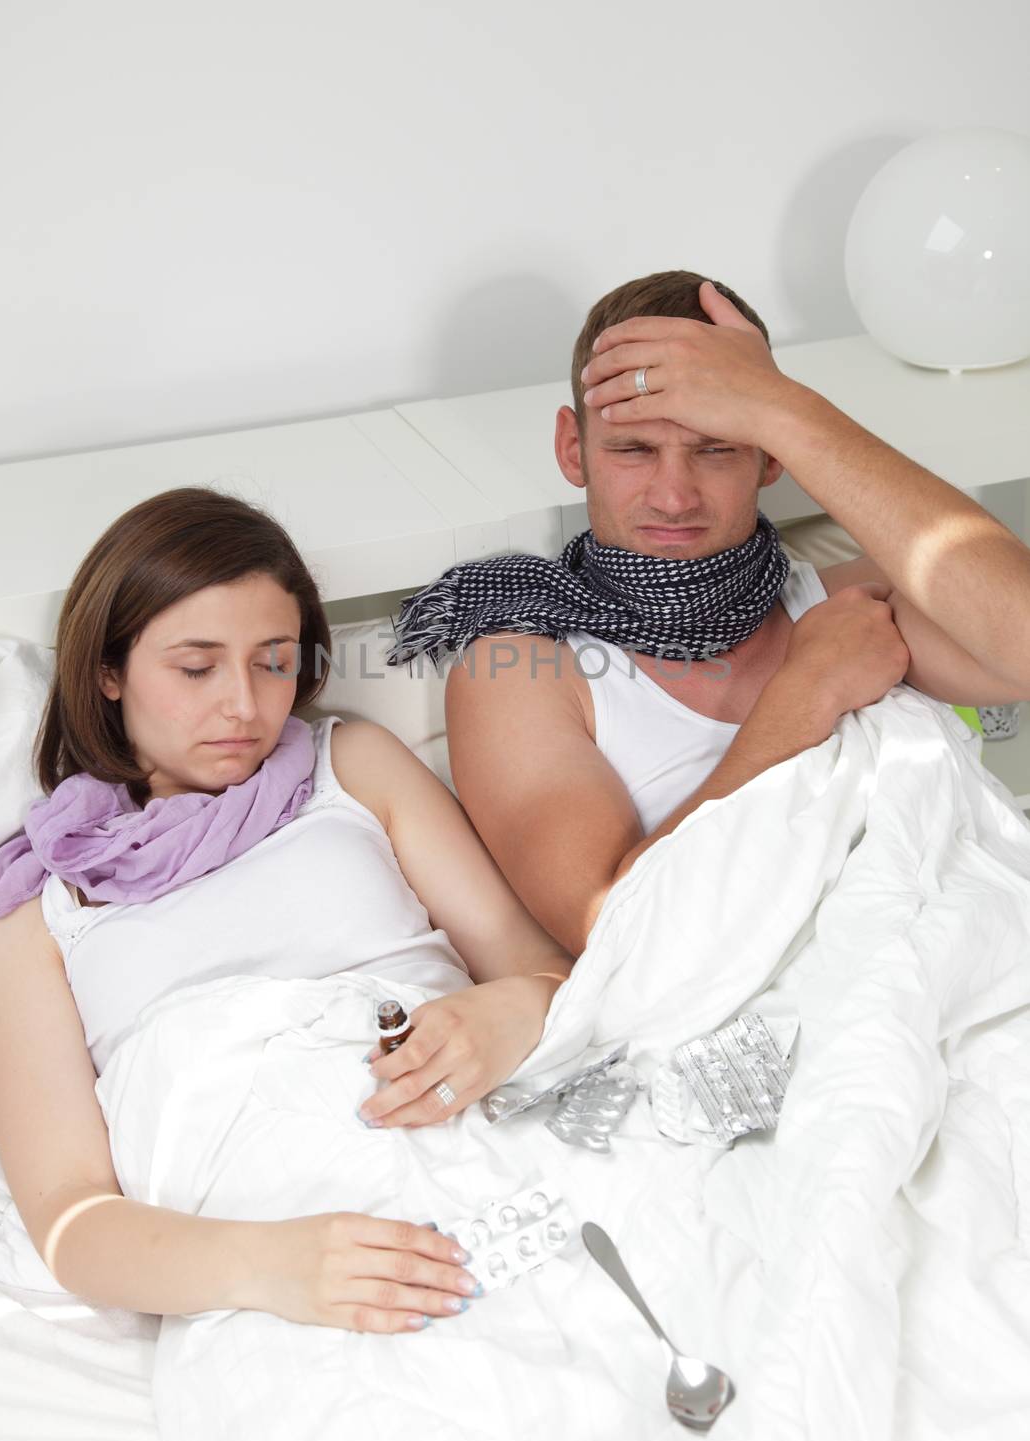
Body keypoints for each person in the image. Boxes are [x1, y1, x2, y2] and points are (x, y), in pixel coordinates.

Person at [0, 486, 573, 1336]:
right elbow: (68, 1219)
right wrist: (271, 1265)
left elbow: (544, 972)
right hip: (278, 1253)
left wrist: (504, 1010)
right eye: (195, 667)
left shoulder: (351, 767)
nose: (244, 707)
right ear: (107, 670)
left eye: (274, 660)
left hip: (481, 1141)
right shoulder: (25, 909)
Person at [396, 270, 1030, 956]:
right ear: (572, 450)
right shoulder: (520, 672)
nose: (674, 497)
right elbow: (613, 932)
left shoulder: (857, 606)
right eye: (633, 449)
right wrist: (804, 695)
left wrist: (787, 411)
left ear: (770, 457)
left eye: (716, 449)